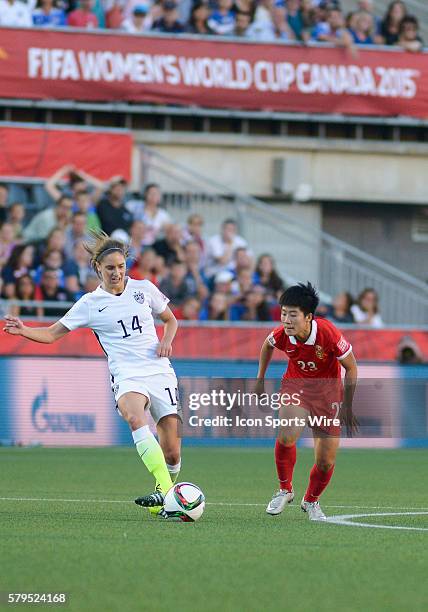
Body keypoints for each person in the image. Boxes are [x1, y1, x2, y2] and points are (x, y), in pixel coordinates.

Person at [3, 231, 182, 519]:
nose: (117, 273)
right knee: (135, 417)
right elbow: (51, 334)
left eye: (121, 267)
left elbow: (170, 319)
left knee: (172, 452)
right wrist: (24, 330)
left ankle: (166, 493)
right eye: (110, 268)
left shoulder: (144, 289)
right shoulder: (89, 303)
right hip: (126, 375)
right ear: (97, 267)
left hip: (158, 370)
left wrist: (167, 340)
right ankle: (164, 488)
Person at [256, 282, 358, 521]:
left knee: (325, 461)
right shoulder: (282, 335)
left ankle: (311, 501)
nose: (286, 320)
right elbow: (267, 345)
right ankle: (285, 489)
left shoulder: (328, 333)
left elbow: (351, 367)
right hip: (296, 386)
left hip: (328, 396)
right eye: (283, 313)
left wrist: (348, 406)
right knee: (288, 433)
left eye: (293, 314)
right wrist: (260, 379)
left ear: (309, 317)